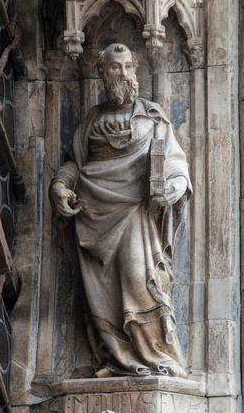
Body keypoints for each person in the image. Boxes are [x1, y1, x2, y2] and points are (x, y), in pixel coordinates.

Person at [49, 43, 192, 378]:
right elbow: (76, 164)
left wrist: (175, 185)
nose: (123, 74)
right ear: (102, 74)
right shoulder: (91, 121)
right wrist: (60, 184)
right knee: (103, 296)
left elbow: (174, 161)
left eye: (128, 67)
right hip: (94, 215)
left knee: (139, 278)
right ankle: (118, 359)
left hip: (137, 216)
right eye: (115, 68)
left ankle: (157, 356)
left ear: (136, 72)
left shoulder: (152, 116)